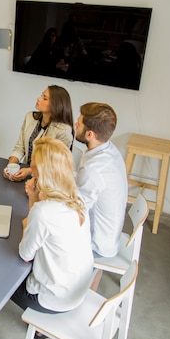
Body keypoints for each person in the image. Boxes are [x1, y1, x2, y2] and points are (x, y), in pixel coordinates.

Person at [10, 137, 93, 339]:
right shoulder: (78, 198)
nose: (30, 165)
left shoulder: (44, 211)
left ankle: (40, 325)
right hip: (76, 290)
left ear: (41, 173)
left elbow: (25, 254)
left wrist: (30, 206)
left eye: (33, 165)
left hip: (51, 300)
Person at [74, 102, 128, 287]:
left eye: (79, 123)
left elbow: (74, 211)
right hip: (111, 233)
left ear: (90, 134)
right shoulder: (109, 149)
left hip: (96, 243)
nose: (75, 124)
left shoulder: (93, 170)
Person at [4, 85, 74, 182]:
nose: (39, 99)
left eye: (44, 98)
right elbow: (20, 147)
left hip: (47, 180)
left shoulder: (63, 131)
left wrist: (29, 171)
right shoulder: (30, 117)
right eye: (41, 95)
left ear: (56, 105)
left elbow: (53, 165)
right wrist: (10, 166)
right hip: (25, 175)